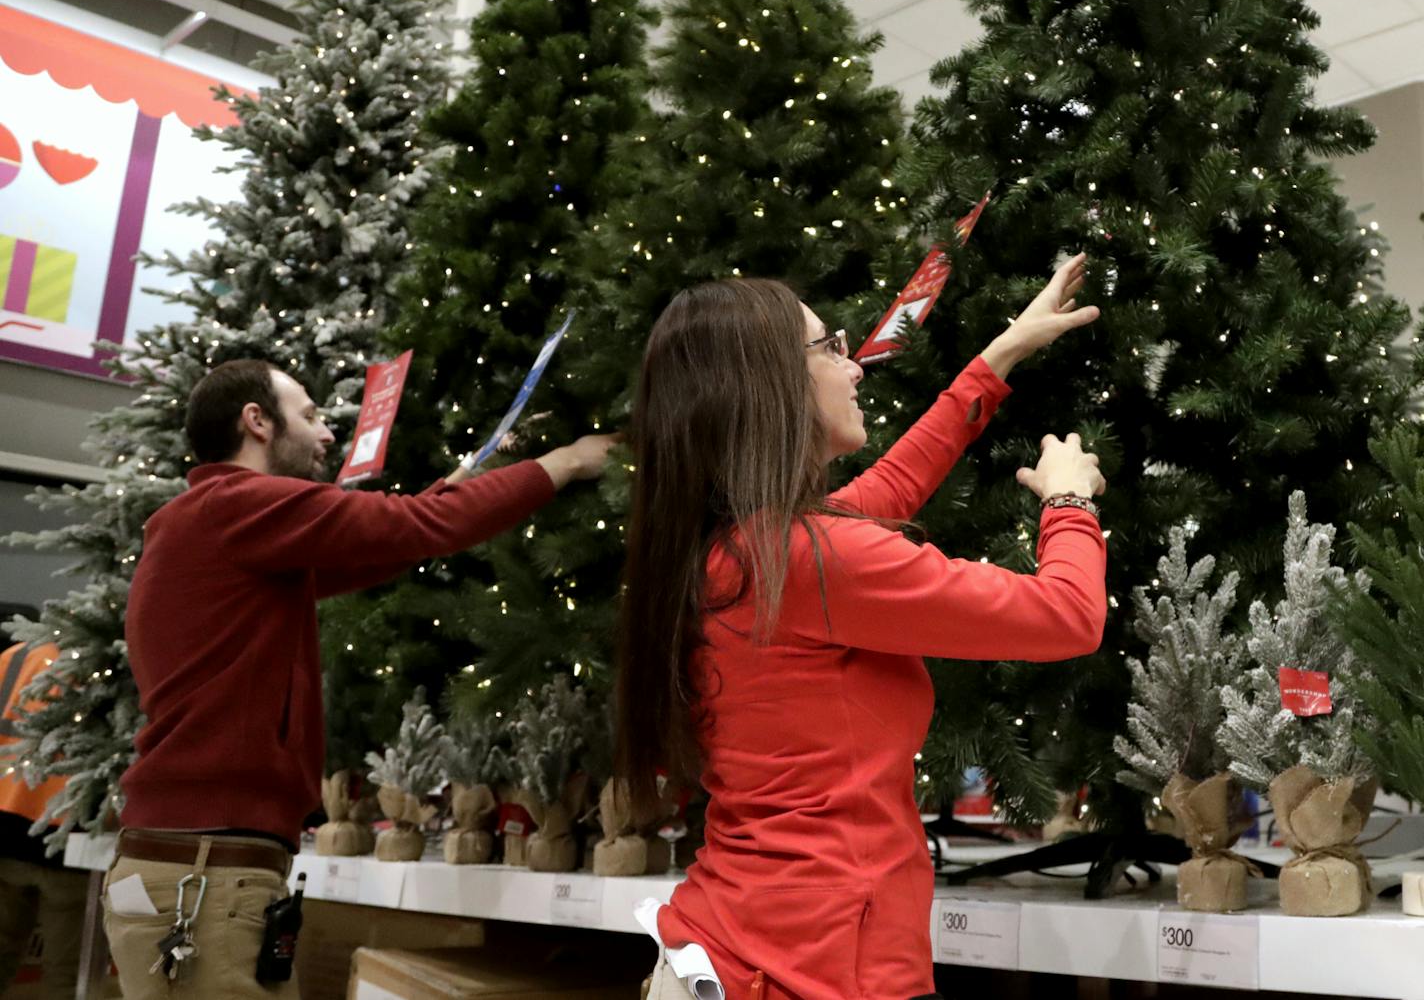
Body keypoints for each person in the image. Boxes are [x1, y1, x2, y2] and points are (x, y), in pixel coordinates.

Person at [617, 256, 1108, 1000]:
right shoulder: (813, 559)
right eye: (831, 348)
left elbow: (891, 486)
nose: (857, 369)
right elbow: (1067, 616)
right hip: (821, 966)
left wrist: (1002, 354)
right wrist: (1070, 502)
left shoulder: (738, 550)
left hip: (737, 943)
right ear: (770, 388)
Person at [102, 358, 616, 998]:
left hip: (195, 868)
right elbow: (418, 528)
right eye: (311, 416)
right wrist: (566, 462)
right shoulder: (238, 504)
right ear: (256, 422)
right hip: (207, 877)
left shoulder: (220, 527)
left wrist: (474, 471)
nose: (327, 435)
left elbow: (393, 541)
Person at [0, 639, 88, 1000]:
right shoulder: (112, 663)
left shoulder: (16, 655)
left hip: (6, 823)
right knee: (66, 976)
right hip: (71, 834)